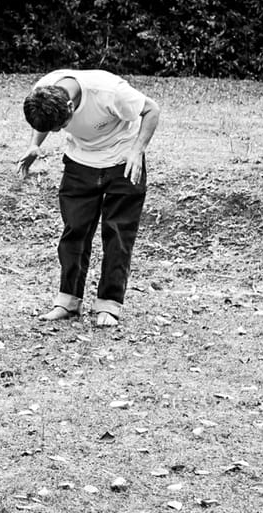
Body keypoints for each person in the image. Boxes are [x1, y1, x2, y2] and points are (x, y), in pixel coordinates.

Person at [18, 69, 161, 328]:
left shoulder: (108, 92)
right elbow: (45, 122)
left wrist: (137, 151)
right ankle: (68, 301)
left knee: (118, 232)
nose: (60, 130)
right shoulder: (44, 90)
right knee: (75, 230)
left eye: (61, 126)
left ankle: (109, 305)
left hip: (123, 158)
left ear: (70, 105)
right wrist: (34, 145)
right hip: (80, 161)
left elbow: (152, 110)